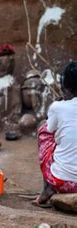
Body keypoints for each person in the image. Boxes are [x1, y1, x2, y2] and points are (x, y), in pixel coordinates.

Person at [35, 61, 77, 207]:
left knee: (44, 129)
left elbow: (50, 130)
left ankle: (47, 188)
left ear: (65, 85)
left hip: (62, 181)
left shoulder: (57, 107)